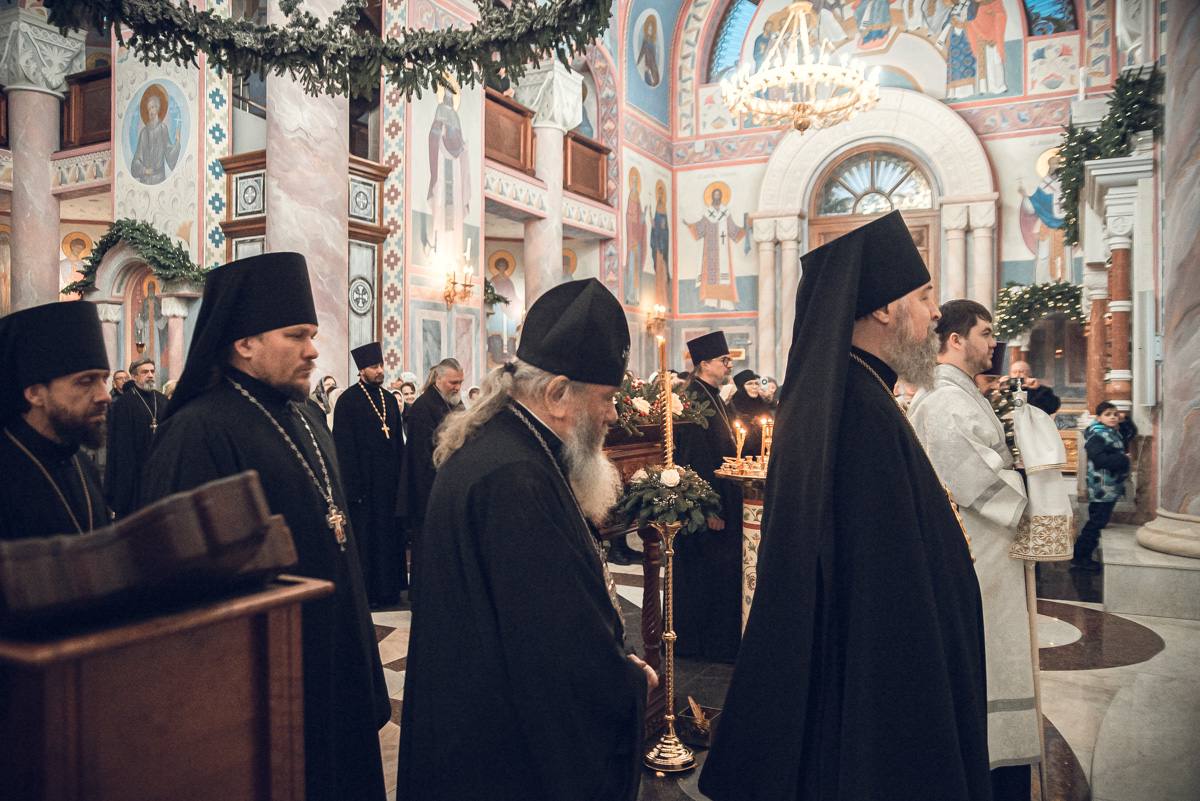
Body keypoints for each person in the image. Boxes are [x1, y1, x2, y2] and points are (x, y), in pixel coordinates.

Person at [700, 211, 990, 801]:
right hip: (877, 687)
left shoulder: (857, 392)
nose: (936, 313)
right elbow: (883, 586)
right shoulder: (860, 412)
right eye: (924, 296)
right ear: (883, 308)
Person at [138, 252, 389, 801]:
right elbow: (181, 593)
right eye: (296, 335)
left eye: (312, 335)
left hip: (335, 665)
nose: (313, 349)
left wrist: (366, 673)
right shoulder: (196, 433)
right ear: (244, 342)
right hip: (264, 694)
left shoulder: (308, 418)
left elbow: (340, 544)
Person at [396, 278, 654, 801]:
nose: (613, 414)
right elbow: (551, 647)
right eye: (606, 398)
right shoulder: (516, 478)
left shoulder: (511, 447)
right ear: (557, 394)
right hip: (500, 754)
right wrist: (625, 680)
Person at [908, 300, 1041, 800]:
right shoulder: (944, 400)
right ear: (956, 339)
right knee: (987, 660)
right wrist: (1034, 487)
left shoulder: (958, 393)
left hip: (987, 547)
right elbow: (975, 478)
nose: (993, 342)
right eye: (985, 333)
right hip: (976, 551)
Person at [0, 301, 111, 540]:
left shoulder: (84, 466)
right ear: (35, 394)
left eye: (104, 379)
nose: (105, 395)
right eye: (86, 381)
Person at [674, 330, 742, 663]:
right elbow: (694, 460)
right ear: (704, 364)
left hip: (722, 496)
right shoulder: (692, 400)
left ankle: (718, 642)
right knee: (705, 574)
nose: (729, 365)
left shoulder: (713, 395)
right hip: (706, 507)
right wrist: (710, 508)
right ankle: (701, 644)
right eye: (724, 360)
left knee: (719, 573)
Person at [334, 341, 407, 608]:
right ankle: (370, 593)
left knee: (389, 538)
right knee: (368, 540)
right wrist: (352, 489)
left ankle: (390, 591)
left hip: (389, 487)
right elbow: (343, 448)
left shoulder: (389, 399)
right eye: (374, 366)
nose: (380, 370)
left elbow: (398, 443)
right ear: (362, 369)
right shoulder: (347, 401)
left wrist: (402, 483)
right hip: (364, 488)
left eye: (381, 365)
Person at [398, 357, 463, 539]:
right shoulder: (423, 407)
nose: (458, 387)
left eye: (460, 382)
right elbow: (421, 460)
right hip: (429, 491)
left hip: (451, 488)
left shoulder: (455, 403)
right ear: (439, 379)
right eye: (453, 382)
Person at [103, 357, 169, 519]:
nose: (150, 375)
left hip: (160, 471)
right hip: (133, 474)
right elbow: (118, 446)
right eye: (145, 372)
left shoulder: (162, 401)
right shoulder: (123, 404)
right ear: (134, 376)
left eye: (152, 371)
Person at [1075, 401, 1132, 571]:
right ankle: (1080, 557)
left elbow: (1130, 432)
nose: (1113, 417)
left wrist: (1124, 419)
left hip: (1109, 486)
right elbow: (1099, 459)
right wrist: (1124, 459)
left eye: (1115, 414)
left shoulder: (1112, 432)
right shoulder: (1098, 435)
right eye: (1108, 414)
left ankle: (1082, 556)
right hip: (1102, 487)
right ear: (1099, 418)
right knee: (1096, 522)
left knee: (1098, 521)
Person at [729, 368, 771, 455]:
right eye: (749, 384)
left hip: (763, 453)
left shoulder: (762, 404)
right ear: (740, 386)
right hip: (741, 453)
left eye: (756, 383)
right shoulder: (733, 406)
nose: (755, 387)